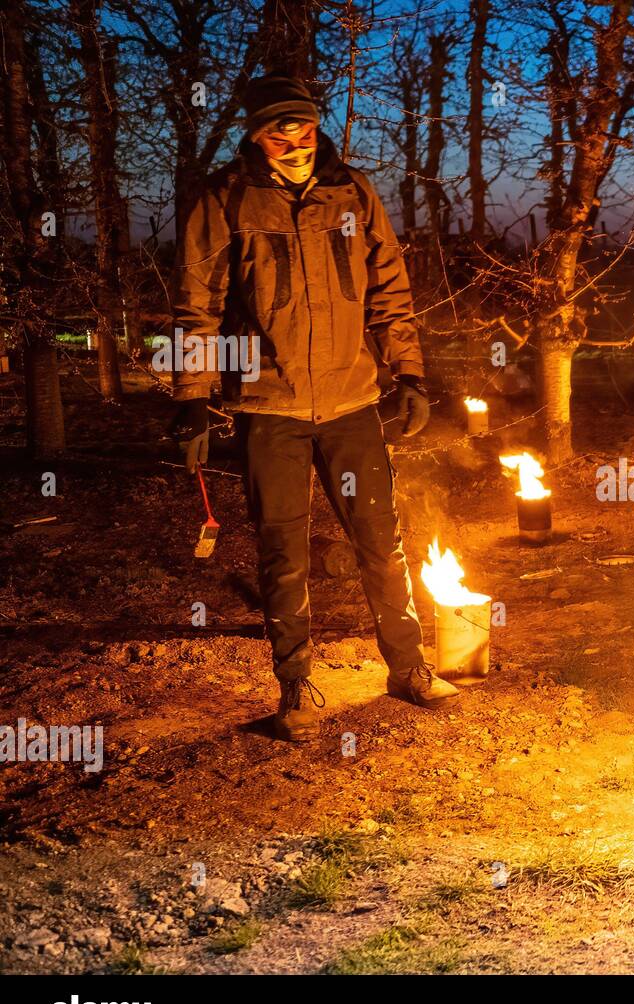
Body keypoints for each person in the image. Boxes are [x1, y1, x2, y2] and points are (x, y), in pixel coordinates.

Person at [169, 73, 459, 742]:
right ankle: (295, 680)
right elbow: (196, 306)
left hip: (352, 399)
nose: (295, 139)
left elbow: (389, 284)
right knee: (284, 547)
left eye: (303, 125)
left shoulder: (351, 194)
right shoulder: (226, 201)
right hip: (270, 406)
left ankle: (407, 665)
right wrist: (191, 400)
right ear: (255, 135)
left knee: (381, 541)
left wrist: (408, 371)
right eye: (279, 128)